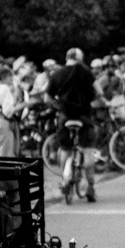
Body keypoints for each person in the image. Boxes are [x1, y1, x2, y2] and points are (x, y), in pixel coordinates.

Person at [46, 47, 101, 201]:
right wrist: (91, 101)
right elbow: (99, 91)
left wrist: (60, 107)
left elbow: (47, 98)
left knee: (65, 149)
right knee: (88, 150)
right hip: (84, 116)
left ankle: (65, 179)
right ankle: (90, 187)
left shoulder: (57, 74)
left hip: (65, 117)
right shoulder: (86, 72)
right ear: (79, 58)